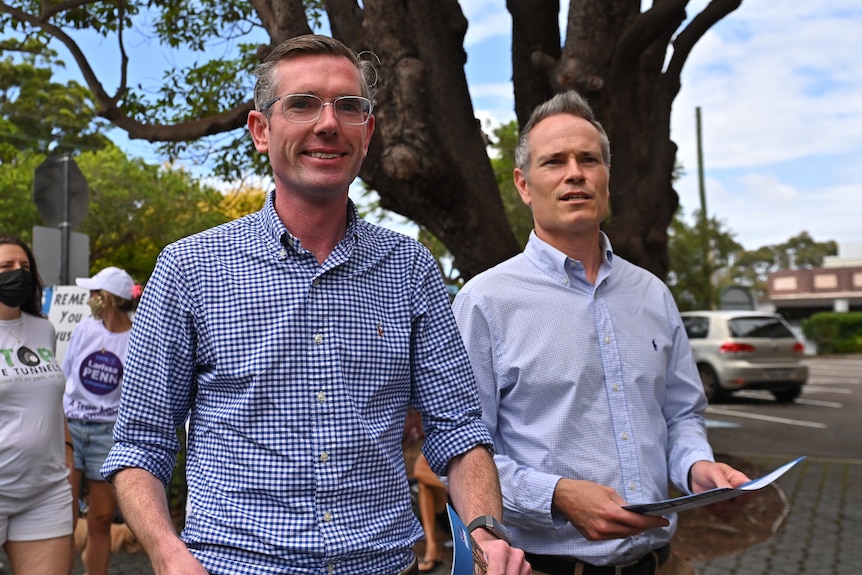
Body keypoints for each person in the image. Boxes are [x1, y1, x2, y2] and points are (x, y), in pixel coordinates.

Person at [101, 35, 529, 575]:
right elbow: (141, 443)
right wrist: (167, 553)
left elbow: (460, 432)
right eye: (302, 104)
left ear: (367, 133)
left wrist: (486, 532)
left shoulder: (412, 270)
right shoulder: (190, 269)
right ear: (261, 130)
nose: (328, 124)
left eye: (348, 107)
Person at [451, 90, 750, 575]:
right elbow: (463, 449)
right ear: (524, 185)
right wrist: (557, 495)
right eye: (555, 162)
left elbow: (680, 416)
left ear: (606, 178)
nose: (575, 173)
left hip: (660, 564)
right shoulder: (485, 302)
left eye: (589, 159)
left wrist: (698, 468)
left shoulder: (652, 295)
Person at [0, 234, 74, 574]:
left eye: (24, 266)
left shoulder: (44, 330)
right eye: (6, 267)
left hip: (46, 490)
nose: (18, 273)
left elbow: (52, 402)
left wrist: (69, 459)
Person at [63, 266, 135, 575]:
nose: (90, 298)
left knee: (102, 517)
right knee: (62, 518)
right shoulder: (84, 329)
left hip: (109, 433)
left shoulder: (136, 338)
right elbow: (66, 373)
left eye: (95, 293)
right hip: (72, 426)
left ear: (107, 298)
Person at [412, 454, 449, 572]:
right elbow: (419, 470)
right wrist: (451, 486)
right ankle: (431, 547)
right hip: (449, 499)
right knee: (424, 485)